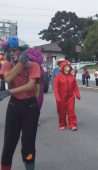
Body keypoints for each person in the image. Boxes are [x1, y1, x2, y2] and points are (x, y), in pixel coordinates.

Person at [0, 37, 40, 170]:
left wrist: (10, 91)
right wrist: (20, 64)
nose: (12, 53)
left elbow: (30, 86)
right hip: (14, 106)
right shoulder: (7, 65)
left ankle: (29, 167)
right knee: (8, 144)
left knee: (28, 145)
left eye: (15, 50)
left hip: (31, 107)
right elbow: (7, 78)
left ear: (22, 51)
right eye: (10, 51)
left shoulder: (34, 65)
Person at [54, 60, 81, 131]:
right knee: (61, 112)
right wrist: (57, 98)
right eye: (66, 67)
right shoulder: (58, 77)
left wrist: (77, 94)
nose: (68, 68)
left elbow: (75, 86)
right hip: (61, 98)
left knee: (71, 110)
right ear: (62, 68)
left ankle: (72, 124)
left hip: (70, 97)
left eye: (68, 67)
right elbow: (55, 88)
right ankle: (62, 124)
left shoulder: (72, 77)